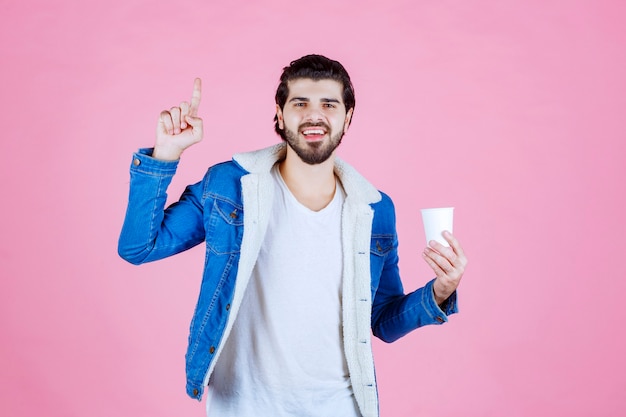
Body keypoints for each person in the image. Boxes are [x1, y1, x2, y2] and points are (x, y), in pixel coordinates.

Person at [118, 54, 467, 417]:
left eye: (328, 104)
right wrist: (165, 155)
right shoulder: (228, 185)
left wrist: (440, 292)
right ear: (280, 114)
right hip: (243, 407)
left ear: (347, 117)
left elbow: (382, 320)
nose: (314, 115)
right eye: (300, 103)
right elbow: (139, 247)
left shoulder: (375, 209)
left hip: (342, 407)